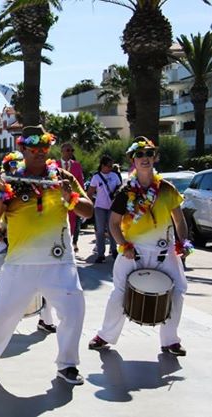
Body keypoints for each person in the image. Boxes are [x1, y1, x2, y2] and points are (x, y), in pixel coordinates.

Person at [0, 125, 93, 386]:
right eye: (34, 147)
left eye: (45, 146)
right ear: (22, 148)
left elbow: (88, 211)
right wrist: (0, 191)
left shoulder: (62, 177)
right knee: (1, 314)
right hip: (19, 263)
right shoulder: (10, 179)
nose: (41, 152)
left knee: (74, 311)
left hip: (59, 263)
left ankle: (68, 364)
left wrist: (71, 197)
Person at [89, 137, 191, 356]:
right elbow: (113, 223)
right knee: (119, 292)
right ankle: (105, 336)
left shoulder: (167, 189)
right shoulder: (126, 192)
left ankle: (170, 340)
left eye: (149, 153)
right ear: (133, 160)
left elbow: (179, 220)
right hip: (133, 251)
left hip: (165, 251)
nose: (145, 158)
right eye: (140, 154)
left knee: (179, 290)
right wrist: (123, 244)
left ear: (155, 157)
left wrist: (182, 243)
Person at [1, 151, 58, 334]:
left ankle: (46, 320)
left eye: (17, 164)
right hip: (11, 242)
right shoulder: (6, 185)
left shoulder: (40, 183)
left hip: (37, 241)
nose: (14, 168)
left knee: (47, 284)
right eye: (10, 165)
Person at [88, 155, 122, 262]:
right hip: (100, 207)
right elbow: (90, 192)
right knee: (100, 231)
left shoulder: (114, 175)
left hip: (113, 207)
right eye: (109, 166)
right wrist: (88, 205)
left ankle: (114, 250)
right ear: (102, 165)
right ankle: (100, 254)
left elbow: (121, 189)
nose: (111, 168)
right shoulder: (96, 177)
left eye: (112, 166)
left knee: (113, 229)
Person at [56, 142, 84, 252]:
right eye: (68, 150)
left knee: (72, 224)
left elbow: (80, 183)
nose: (70, 152)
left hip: (72, 199)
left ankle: (68, 245)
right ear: (62, 151)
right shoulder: (55, 165)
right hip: (57, 200)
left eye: (72, 150)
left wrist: (82, 198)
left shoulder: (77, 165)